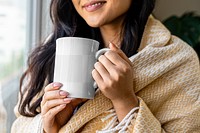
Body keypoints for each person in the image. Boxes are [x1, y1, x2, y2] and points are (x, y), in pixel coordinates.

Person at [11, 0, 200, 132]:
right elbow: (20, 125)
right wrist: (49, 126)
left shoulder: (178, 61)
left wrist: (125, 101)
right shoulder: (51, 54)